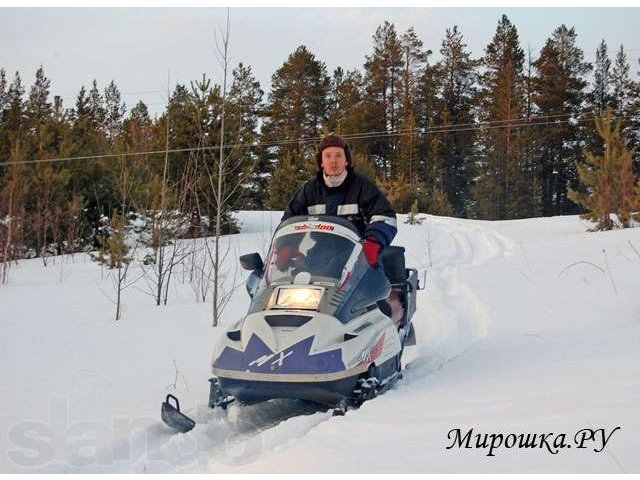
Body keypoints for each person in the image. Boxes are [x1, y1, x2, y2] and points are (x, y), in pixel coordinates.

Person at [282, 133, 397, 268]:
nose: (333, 160)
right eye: (328, 156)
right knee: (296, 280)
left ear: (346, 161)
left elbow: (385, 217)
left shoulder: (362, 187)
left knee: (371, 285)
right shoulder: (310, 190)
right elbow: (290, 220)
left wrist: (372, 242)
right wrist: (286, 246)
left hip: (358, 256)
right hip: (319, 255)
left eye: (338, 155)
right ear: (321, 162)